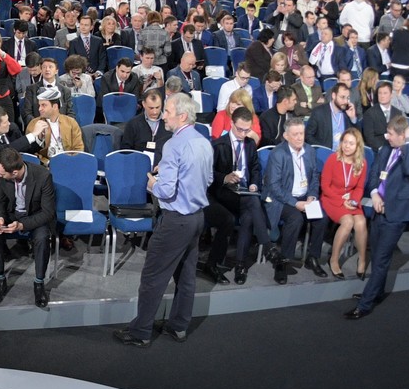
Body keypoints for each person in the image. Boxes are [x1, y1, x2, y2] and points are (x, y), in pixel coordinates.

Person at [115, 92, 212, 346]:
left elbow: (166, 191)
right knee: (186, 276)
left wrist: (153, 183)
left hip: (176, 220)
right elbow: (208, 179)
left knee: (152, 277)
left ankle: (140, 332)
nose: (163, 116)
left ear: (181, 116)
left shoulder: (173, 145)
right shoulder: (204, 141)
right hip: (197, 218)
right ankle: (179, 326)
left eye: (167, 111)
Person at [347, 115, 409, 319]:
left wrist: (408, 143)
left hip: (397, 213)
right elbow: (374, 174)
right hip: (378, 209)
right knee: (377, 254)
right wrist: (374, 194)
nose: (387, 136)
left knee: (382, 259)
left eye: (391, 134)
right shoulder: (385, 148)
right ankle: (377, 291)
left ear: (402, 135)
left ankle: (365, 304)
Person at [0, 147, 56, 308]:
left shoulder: (43, 176)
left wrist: (22, 225)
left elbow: (48, 212)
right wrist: (0, 218)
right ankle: (1, 278)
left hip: (34, 216)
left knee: (42, 237)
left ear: (15, 173)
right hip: (11, 214)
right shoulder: (0, 174)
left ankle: (39, 283)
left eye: (3, 174)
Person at [263, 115, 328, 283]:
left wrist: (312, 196)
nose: (300, 138)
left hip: (305, 196)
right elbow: (274, 186)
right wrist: (295, 203)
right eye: (295, 134)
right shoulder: (278, 154)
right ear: (286, 136)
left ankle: (312, 258)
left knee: (321, 218)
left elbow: (314, 177)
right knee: (295, 218)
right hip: (282, 199)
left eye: (302, 133)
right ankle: (283, 262)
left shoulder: (309, 151)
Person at [204, 106, 263, 284]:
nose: (243, 134)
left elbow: (255, 168)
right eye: (240, 129)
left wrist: (254, 183)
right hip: (220, 193)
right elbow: (207, 174)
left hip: (242, 193)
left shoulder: (250, 144)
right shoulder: (218, 144)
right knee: (246, 210)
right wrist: (224, 178)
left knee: (248, 215)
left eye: (247, 130)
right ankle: (267, 246)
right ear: (231, 124)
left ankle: (240, 265)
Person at [320, 127, 369, 279]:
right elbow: (325, 187)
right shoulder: (332, 160)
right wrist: (342, 201)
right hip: (332, 198)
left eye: (351, 143)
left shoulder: (362, 163)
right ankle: (334, 260)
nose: (347, 146)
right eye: (345, 142)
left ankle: (362, 259)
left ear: (357, 146)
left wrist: (353, 201)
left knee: (360, 222)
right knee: (348, 222)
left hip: (351, 199)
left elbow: (360, 187)